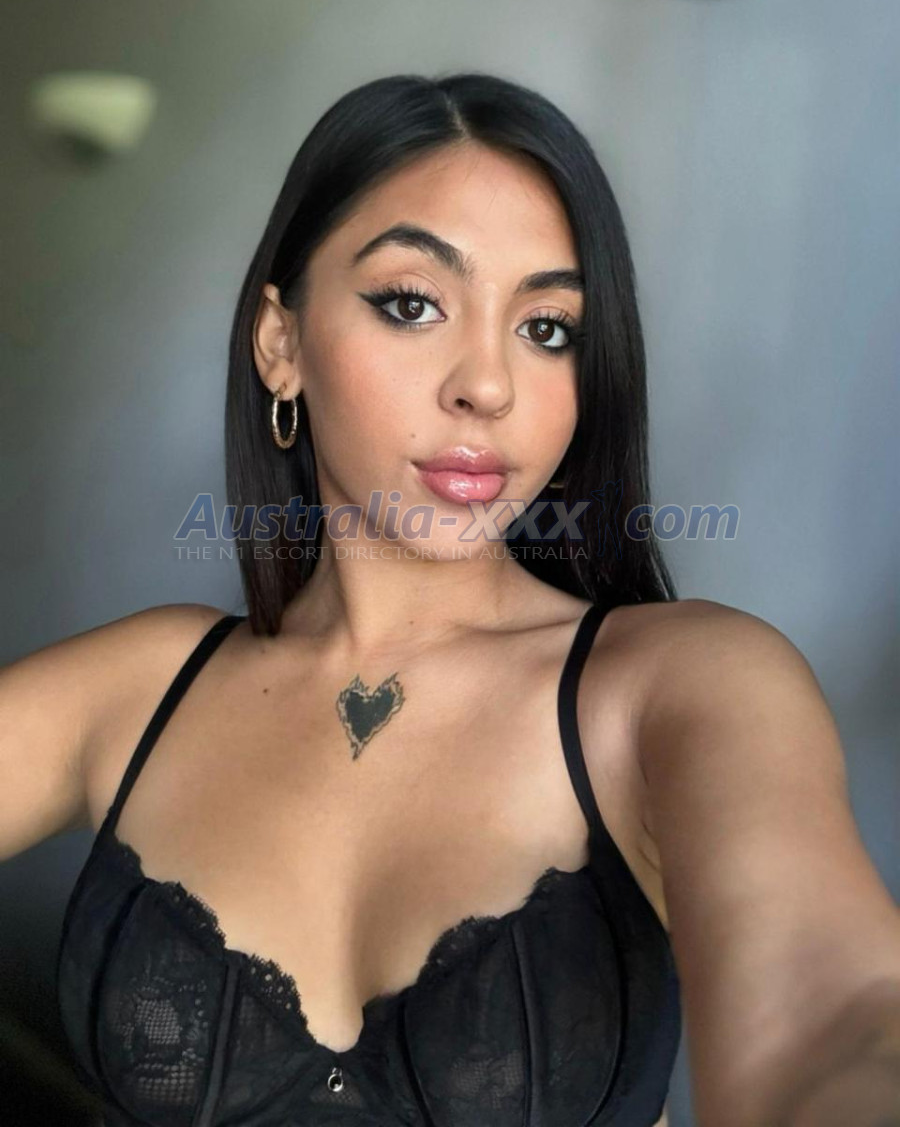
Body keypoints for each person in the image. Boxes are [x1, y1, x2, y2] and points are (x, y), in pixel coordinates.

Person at [2, 71, 898, 1127]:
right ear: (280, 345)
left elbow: (832, 1016)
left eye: (548, 327)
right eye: (413, 303)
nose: (489, 385)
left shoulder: (680, 686)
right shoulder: (138, 688)